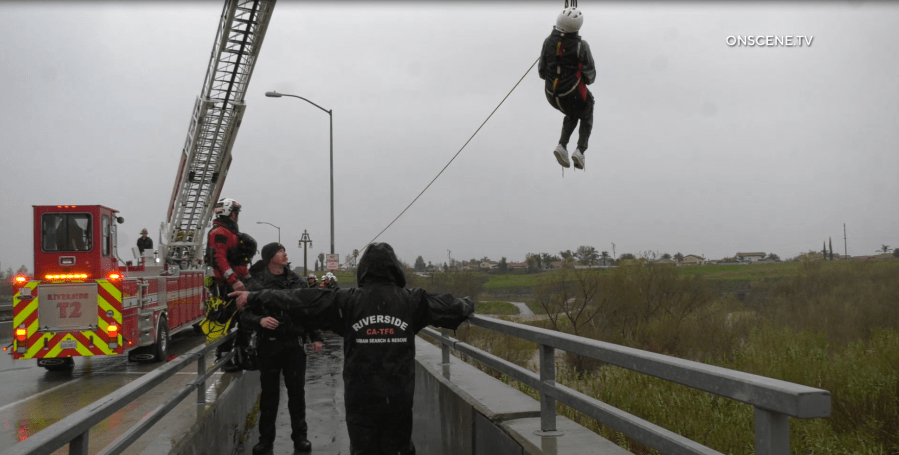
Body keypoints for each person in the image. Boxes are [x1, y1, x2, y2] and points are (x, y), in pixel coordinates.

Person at [230, 242, 474, 455]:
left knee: (363, 449)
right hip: (398, 397)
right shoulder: (413, 300)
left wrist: (254, 297)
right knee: (399, 447)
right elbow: (452, 308)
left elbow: (300, 300)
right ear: (395, 269)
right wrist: (466, 304)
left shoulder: (346, 301)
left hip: (360, 398)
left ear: (363, 270)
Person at [242, 242, 324, 455]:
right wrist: (260, 320)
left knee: (297, 394)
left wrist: (316, 337)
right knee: (269, 397)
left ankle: (301, 439)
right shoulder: (257, 283)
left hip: (294, 345)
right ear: (270, 257)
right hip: (268, 346)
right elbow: (244, 315)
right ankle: (265, 442)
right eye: (280, 251)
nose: (285, 254)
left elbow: (308, 311)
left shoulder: (297, 281)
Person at [538, 6, 596, 171]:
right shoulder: (581, 46)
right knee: (587, 105)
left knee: (574, 110)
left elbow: (542, 72)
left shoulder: (548, 41)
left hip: (551, 95)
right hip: (571, 94)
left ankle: (562, 146)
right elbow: (590, 76)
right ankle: (580, 150)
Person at [206, 197, 255, 372]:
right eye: (236, 213)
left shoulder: (230, 232)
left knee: (245, 319)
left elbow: (238, 262)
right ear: (230, 213)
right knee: (227, 322)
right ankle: (225, 358)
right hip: (226, 286)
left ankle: (241, 354)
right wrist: (234, 280)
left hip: (237, 283)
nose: (237, 216)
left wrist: (249, 279)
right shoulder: (219, 232)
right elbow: (219, 259)